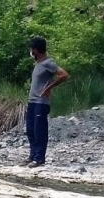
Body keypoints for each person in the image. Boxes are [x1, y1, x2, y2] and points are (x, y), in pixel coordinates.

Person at [25, 37, 69, 168]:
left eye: (31, 49)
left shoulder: (48, 63)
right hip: (32, 102)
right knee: (30, 130)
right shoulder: (38, 64)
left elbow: (64, 75)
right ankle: (32, 155)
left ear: (35, 50)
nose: (30, 52)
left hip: (41, 102)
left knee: (39, 131)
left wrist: (49, 88)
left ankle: (39, 158)